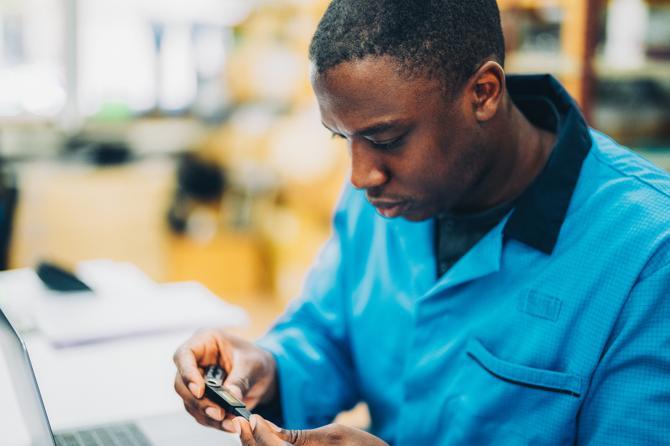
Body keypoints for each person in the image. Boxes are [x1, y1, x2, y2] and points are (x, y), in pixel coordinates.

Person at [174, 0, 670, 444]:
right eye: (341, 137)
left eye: (387, 139)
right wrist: (269, 367)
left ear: (484, 92)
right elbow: (328, 333)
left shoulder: (649, 253)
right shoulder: (384, 195)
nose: (360, 174)